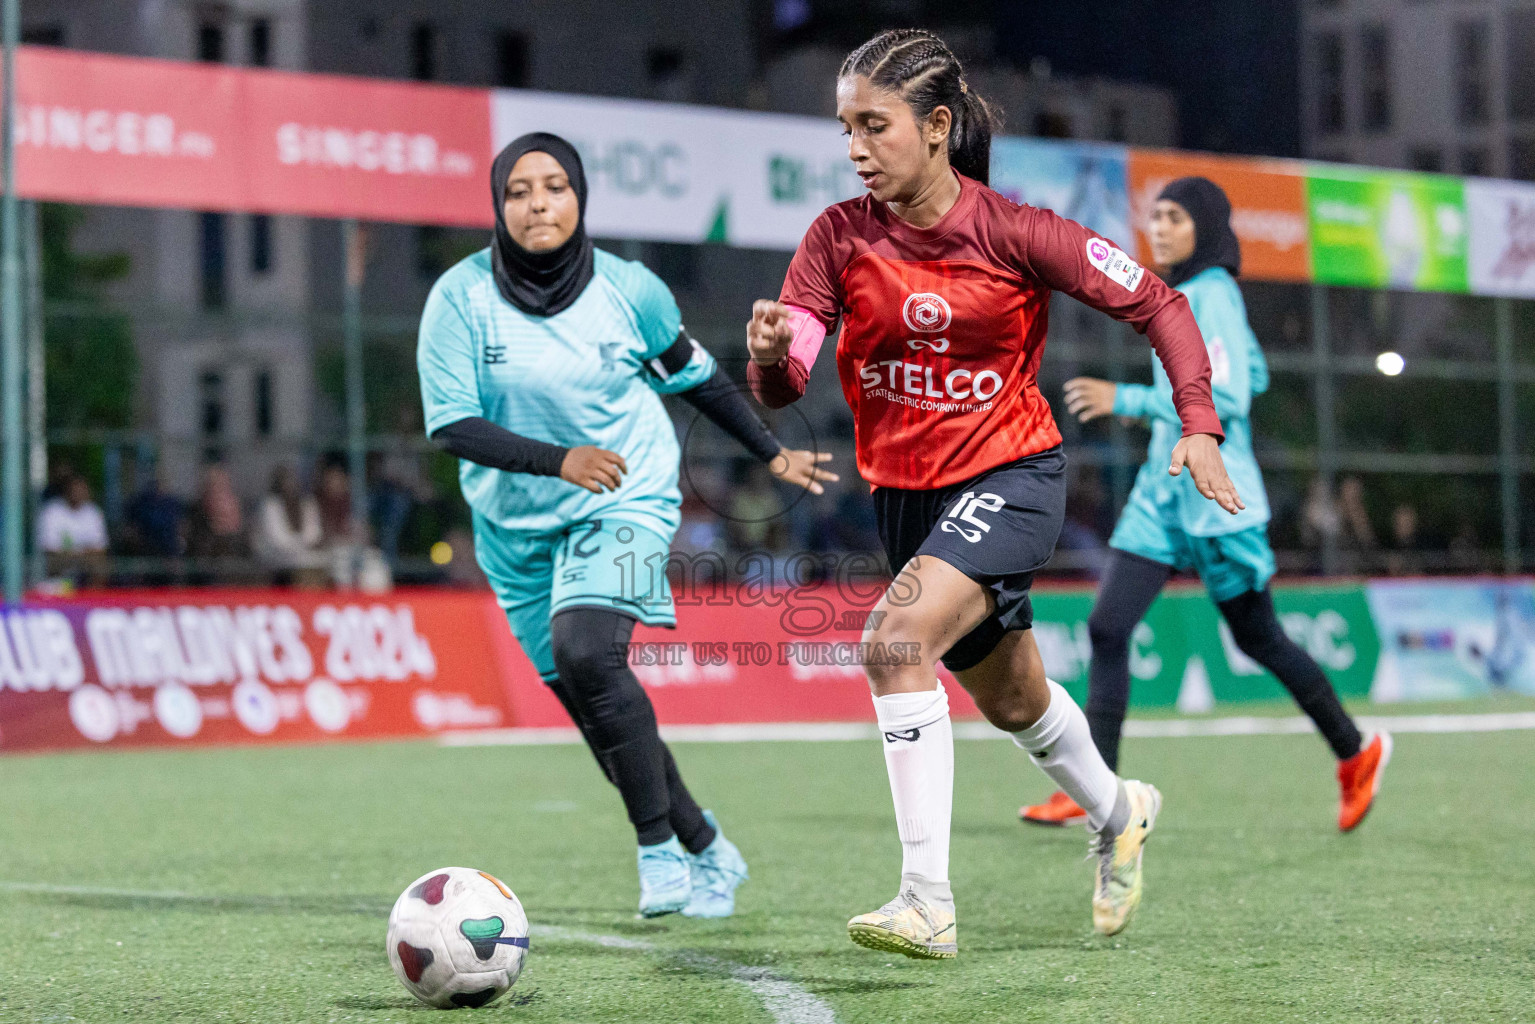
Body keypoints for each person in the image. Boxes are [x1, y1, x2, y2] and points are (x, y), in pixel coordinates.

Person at [746, 29, 1242, 958]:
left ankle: (924, 900)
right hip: (905, 500)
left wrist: (1198, 422)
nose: (854, 149)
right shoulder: (835, 237)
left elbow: (1161, 308)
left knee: (893, 641)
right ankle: (1119, 809)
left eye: (873, 125)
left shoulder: (1017, 232)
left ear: (936, 126)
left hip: (1010, 475)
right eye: (844, 128)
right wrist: (772, 357)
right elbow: (788, 378)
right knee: (1013, 699)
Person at [418, 132, 836, 919]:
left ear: (579, 198)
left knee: (588, 651)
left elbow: (696, 378)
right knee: (591, 708)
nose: (537, 204)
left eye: (554, 188)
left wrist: (769, 451)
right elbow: (452, 426)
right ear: (498, 205)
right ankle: (708, 848)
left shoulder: (630, 290)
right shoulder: (458, 298)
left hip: (625, 492)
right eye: (518, 191)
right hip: (515, 528)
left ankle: (657, 854)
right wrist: (556, 460)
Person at [1020, 177, 1390, 834]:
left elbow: (1230, 395)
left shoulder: (1208, 293)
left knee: (1259, 638)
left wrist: (1127, 399)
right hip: (1161, 499)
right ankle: (1097, 791)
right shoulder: (1187, 295)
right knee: (1107, 629)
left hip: (1216, 499)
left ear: (1205, 229)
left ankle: (1354, 753)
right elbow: (1253, 370)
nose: (1157, 229)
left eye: (1172, 218)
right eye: (1153, 217)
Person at [253, 466, 327, 586]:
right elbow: (276, 538)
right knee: (297, 562)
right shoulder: (270, 505)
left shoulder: (307, 503)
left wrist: (303, 546)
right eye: (285, 481)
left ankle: (310, 596)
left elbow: (314, 533)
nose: (290, 485)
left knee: (319, 560)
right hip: (277, 555)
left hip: (305, 552)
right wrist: (297, 547)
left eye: (292, 480)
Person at [38, 473, 109, 586]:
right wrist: (75, 553)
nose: (78, 493)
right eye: (74, 489)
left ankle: (93, 597)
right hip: (60, 558)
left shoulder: (93, 511)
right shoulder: (52, 510)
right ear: (67, 491)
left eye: (81, 489)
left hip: (84, 558)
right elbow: (49, 547)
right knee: (54, 560)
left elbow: (100, 547)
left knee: (99, 563)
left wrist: (80, 554)